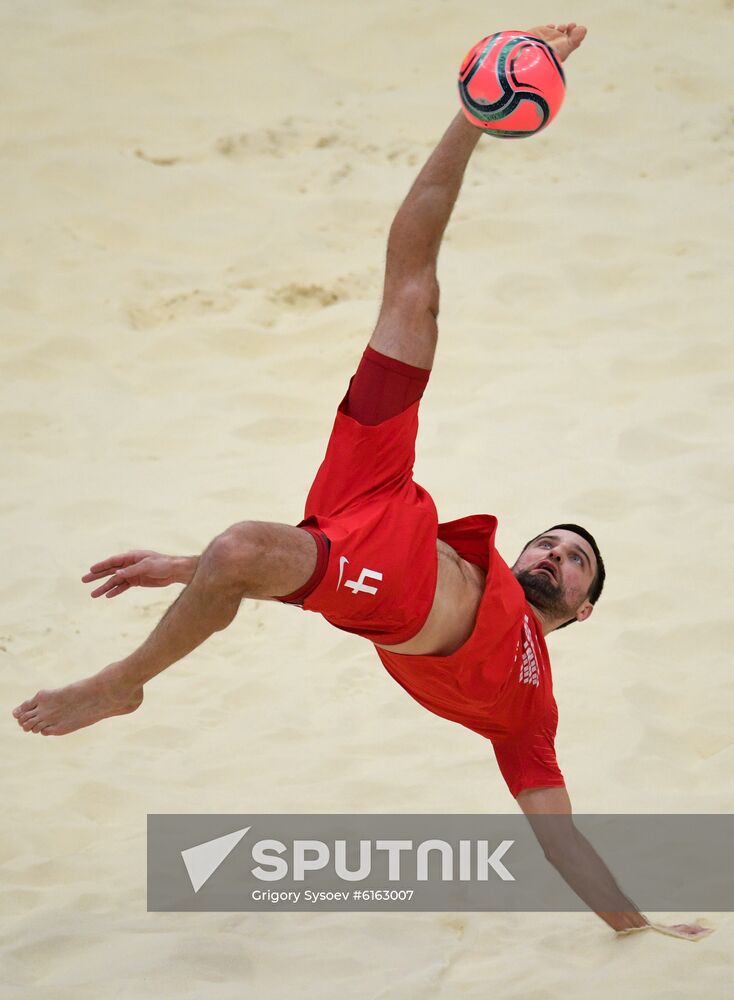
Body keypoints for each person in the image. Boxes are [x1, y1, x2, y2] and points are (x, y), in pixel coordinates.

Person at [12, 23, 711, 941]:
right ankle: (469, 120)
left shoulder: (529, 708)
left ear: (583, 611)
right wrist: (482, 108)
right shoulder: (486, 563)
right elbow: (328, 555)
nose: (554, 553)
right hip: (384, 500)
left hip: (397, 589)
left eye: (576, 560)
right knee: (414, 293)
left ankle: (123, 682)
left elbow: (560, 839)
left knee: (241, 549)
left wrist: (637, 927)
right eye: (550, 540)